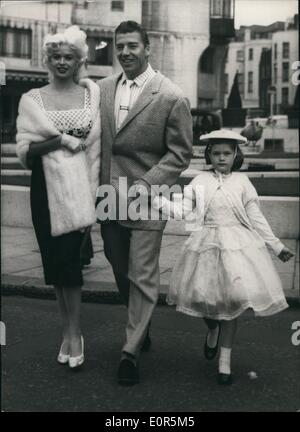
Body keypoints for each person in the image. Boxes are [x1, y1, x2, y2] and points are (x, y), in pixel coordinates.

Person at [154, 129, 294, 385]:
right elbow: (184, 211)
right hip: (205, 246)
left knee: (231, 302)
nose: (221, 158)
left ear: (235, 155)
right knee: (203, 299)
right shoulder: (199, 181)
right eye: (216, 153)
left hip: (237, 247)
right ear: (208, 154)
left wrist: (276, 246)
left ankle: (225, 361)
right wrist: (156, 201)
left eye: (227, 153)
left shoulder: (242, 182)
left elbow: (256, 218)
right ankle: (213, 329)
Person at [96, 20, 193, 386]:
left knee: (143, 274)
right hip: (109, 198)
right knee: (120, 268)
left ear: (148, 48)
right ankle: (142, 320)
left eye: (132, 46)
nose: (124, 52)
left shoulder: (171, 96)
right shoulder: (103, 89)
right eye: (120, 46)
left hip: (150, 199)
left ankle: (130, 352)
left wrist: (145, 184)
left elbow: (180, 154)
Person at [16, 26, 101, 369]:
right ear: (48, 61)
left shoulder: (90, 95)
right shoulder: (32, 99)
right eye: (56, 57)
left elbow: (96, 148)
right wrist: (62, 141)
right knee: (54, 264)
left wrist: (95, 193)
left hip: (80, 188)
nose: (62, 62)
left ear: (80, 59)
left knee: (71, 264)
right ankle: (65, 330)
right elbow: (27, 151)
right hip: (45, 189)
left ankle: (75, 332)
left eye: (69, 56)